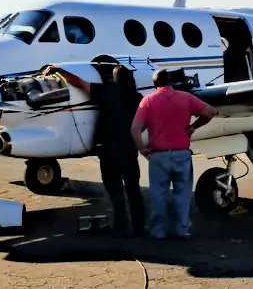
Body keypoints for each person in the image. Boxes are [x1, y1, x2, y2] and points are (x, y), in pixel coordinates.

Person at [47, 64, 145, 238]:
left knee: (115, 190)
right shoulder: (137, 97)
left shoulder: (107, 91)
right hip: (128, 149)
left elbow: (79, 83)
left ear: (114, 79)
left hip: (108, 150)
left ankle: (121, 227)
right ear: (130, 81)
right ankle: (139, 227)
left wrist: (59, 70)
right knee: (133, 189)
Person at [130, 69, 218, 240]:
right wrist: (193, 127)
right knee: (183, 194)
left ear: (155, 84)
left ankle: (158, 232)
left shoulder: (148, 100)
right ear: (171, 81)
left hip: (158, 156)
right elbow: (210, 112)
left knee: (158, 195)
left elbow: (135, 129)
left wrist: (141, 148)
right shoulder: (186, 97)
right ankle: (182, 229)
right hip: (181, 154)